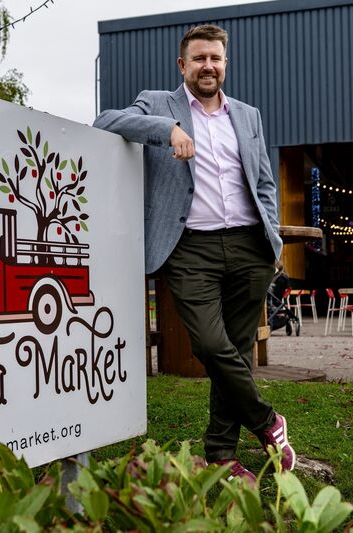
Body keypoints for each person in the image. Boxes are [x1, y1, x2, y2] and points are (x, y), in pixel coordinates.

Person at [93, 24, 295, 482]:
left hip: (249, 246)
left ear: (225, 64)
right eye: (199, 58)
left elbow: (263, 181)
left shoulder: (248, 115)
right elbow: (105, 122)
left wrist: (273, 240)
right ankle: (267, 421)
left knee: (238, 351)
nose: (208, 66)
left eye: (216, 59)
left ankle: (222, 455)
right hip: (190, 248)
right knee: (208, 343)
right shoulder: (158, 104)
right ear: (183, 65)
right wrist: (166, 129)